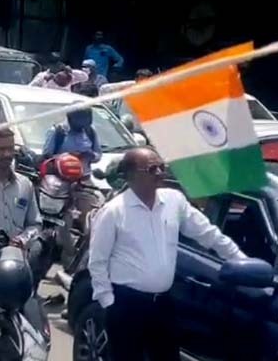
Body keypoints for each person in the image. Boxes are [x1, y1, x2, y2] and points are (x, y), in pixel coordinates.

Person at [89, 148, 244, 361]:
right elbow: (97, 261)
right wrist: (108, 302)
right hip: (126, 305)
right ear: (133, 175)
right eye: (153, 169)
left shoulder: (174, 201)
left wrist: (240, 259)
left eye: (162, 166)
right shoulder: (113, 212)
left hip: (162, 304)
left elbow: (208, 234)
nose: (161, 173)